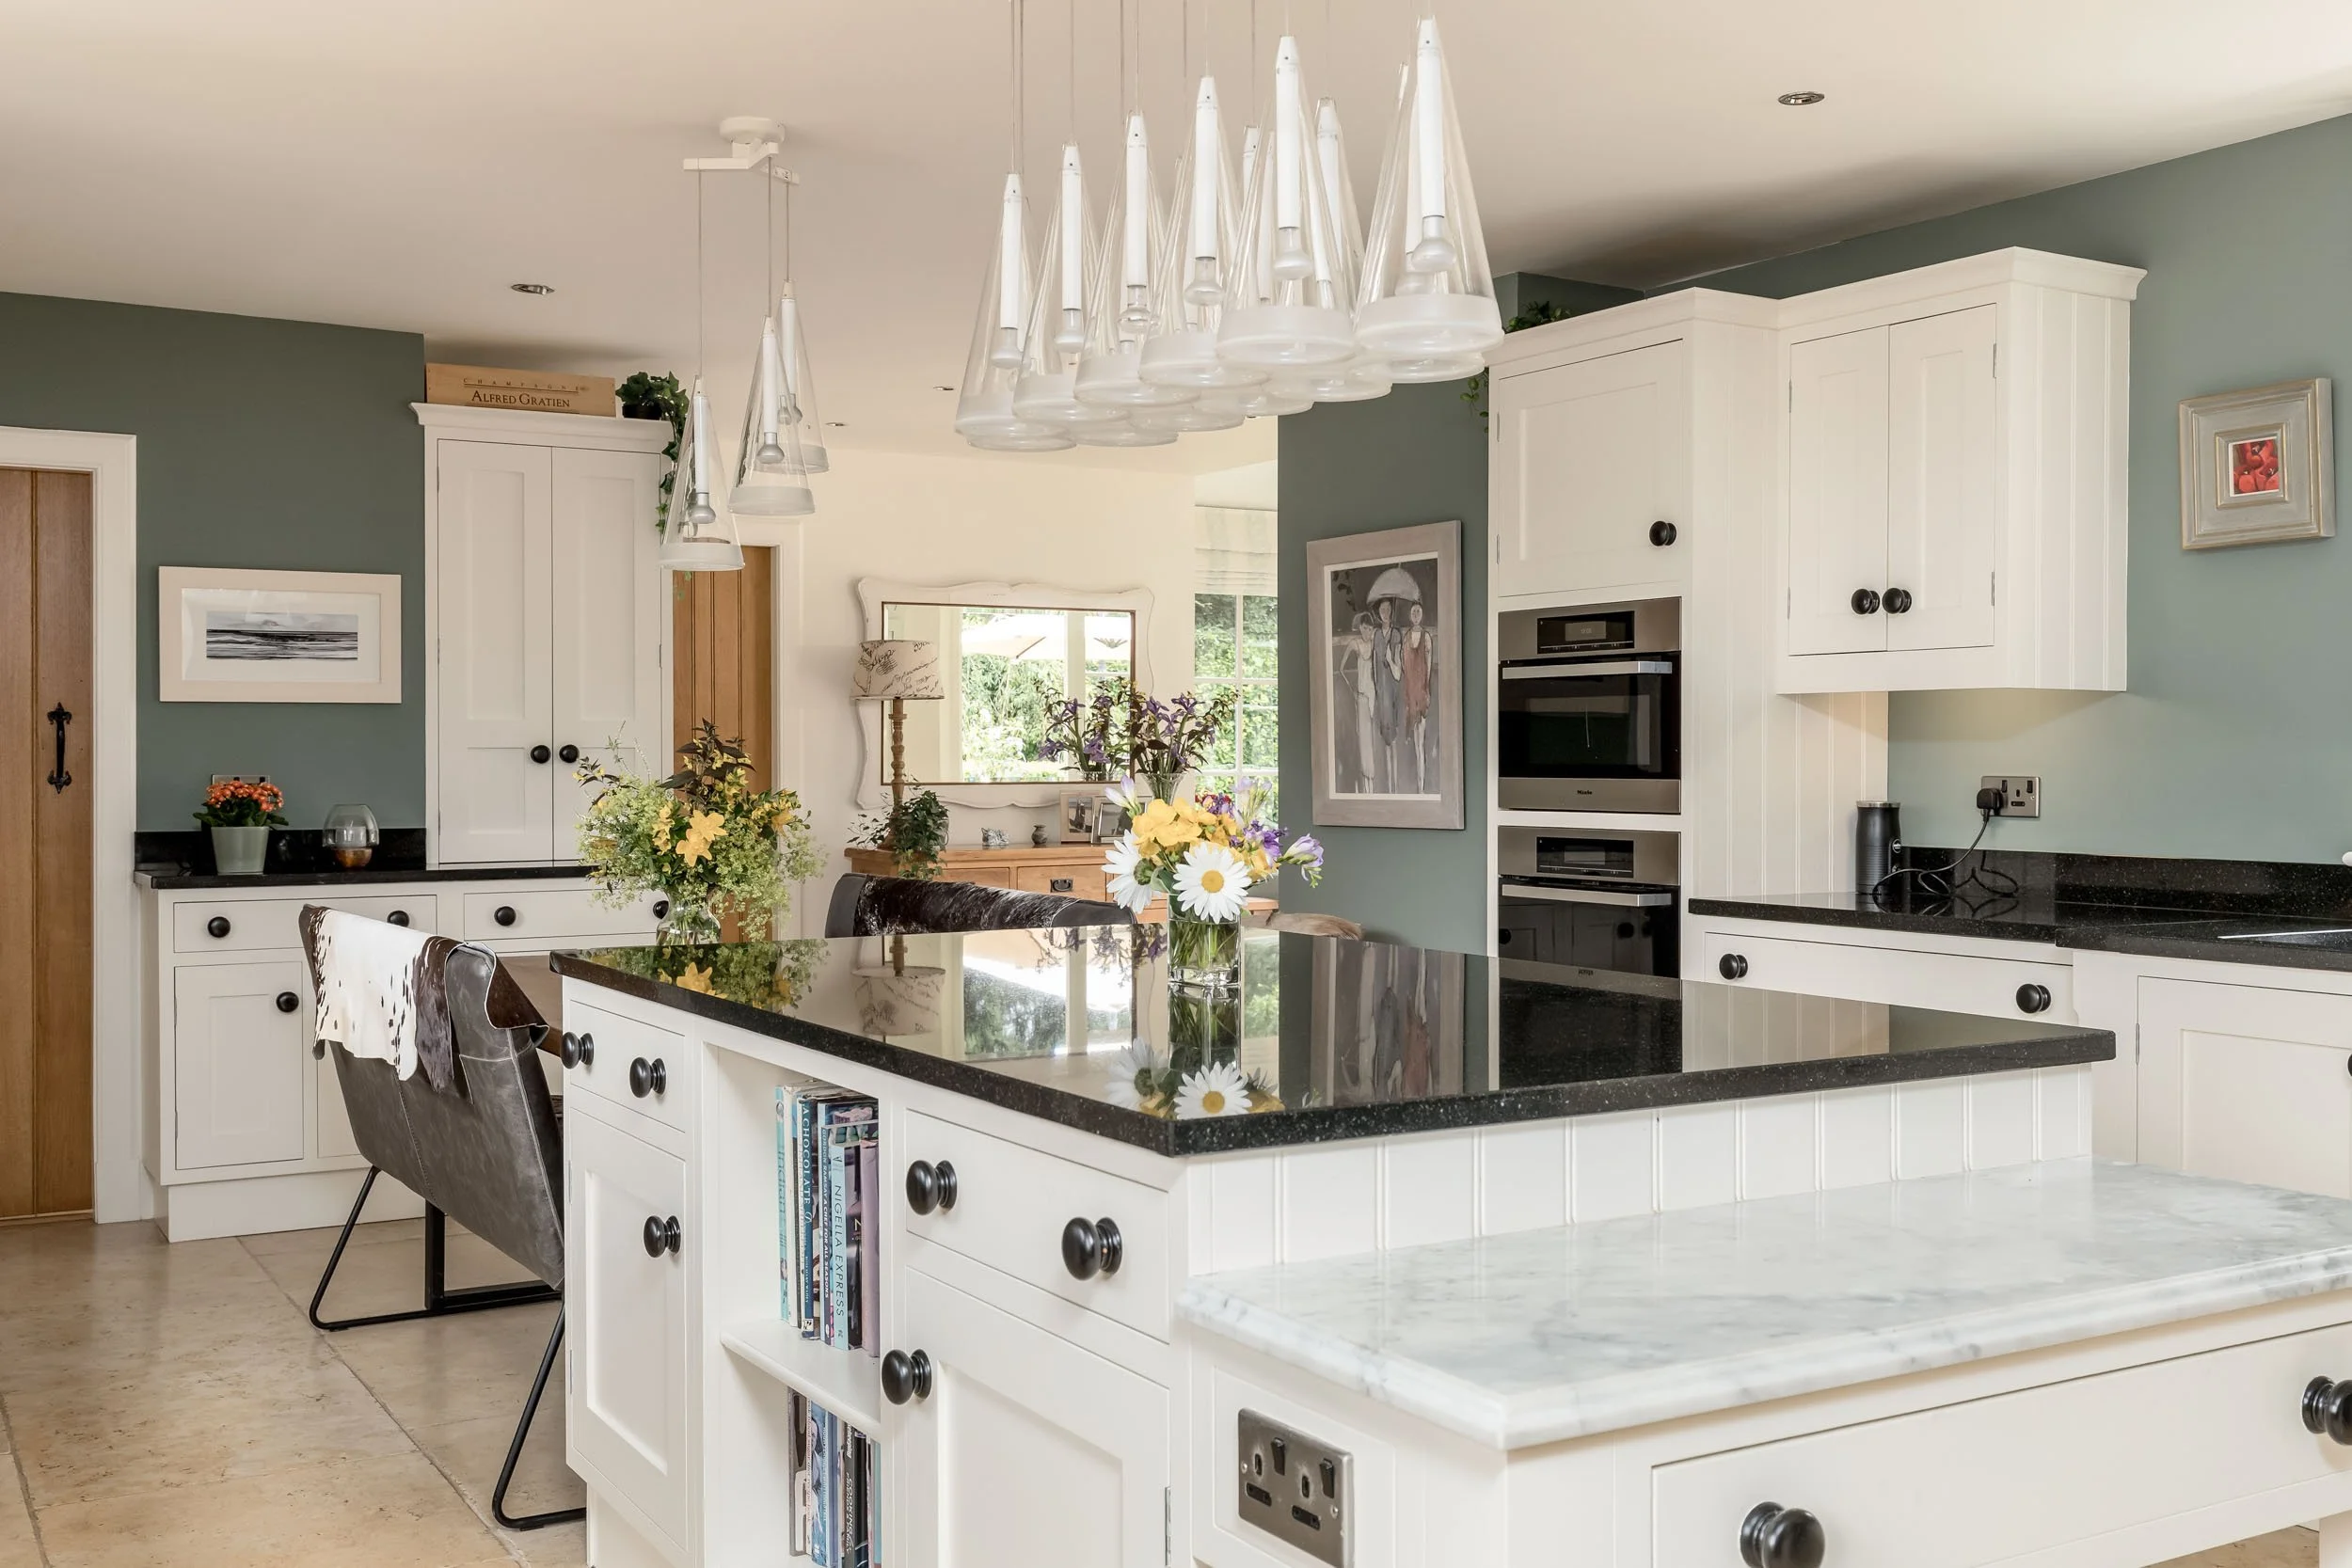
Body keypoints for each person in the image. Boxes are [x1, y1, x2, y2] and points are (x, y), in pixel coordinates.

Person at [1400, 600, 1433, 794]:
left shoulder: (1427, 638)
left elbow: (1428, 667)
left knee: (1421, 743)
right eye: (1413, 611)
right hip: (1410, 695)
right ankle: (1418, 788)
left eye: (1418, 611)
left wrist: (1426, 691)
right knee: (1415, 745)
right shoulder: (1405, 639)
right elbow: (1404, 668)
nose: (1415, 614)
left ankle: (1422, 788)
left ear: (1422, 614)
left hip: (1421, 693)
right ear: (1409, 615)